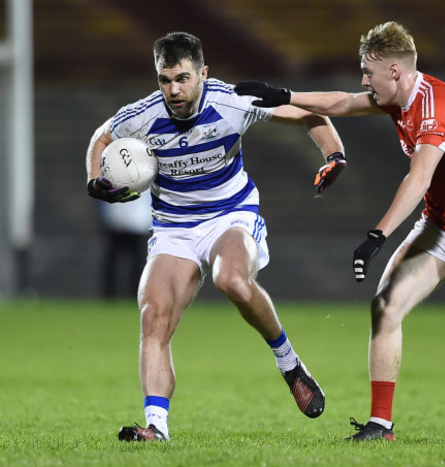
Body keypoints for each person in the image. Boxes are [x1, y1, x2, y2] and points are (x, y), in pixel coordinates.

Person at [235, 21, 445, 442]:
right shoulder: (395, 97)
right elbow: (341, 103)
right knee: (386, 308)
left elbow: (419, 178)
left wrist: (378, 235)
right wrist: (283, 95)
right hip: (438, 229)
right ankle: (381, 425)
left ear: (395, 71)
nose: (363, 80)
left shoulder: (435, 106)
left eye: (369, 72)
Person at [86, 32, 348, 441]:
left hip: (230, 214)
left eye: (183, 78)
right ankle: (156, 427)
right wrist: (94, 180)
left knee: (233, 281)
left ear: (203, 73)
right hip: (174, 225)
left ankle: (289, 363)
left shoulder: (232, 103)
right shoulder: (140, 116)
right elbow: (102, 138)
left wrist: (334, 154)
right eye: (165, 79)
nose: (173, 89)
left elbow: (307, 113)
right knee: (153, 317)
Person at [97, 190, 152, 298]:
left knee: (137, 262)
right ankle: (110, 294)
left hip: (136, 222)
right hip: (121, 221)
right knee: (114, 261)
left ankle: (133, 293)